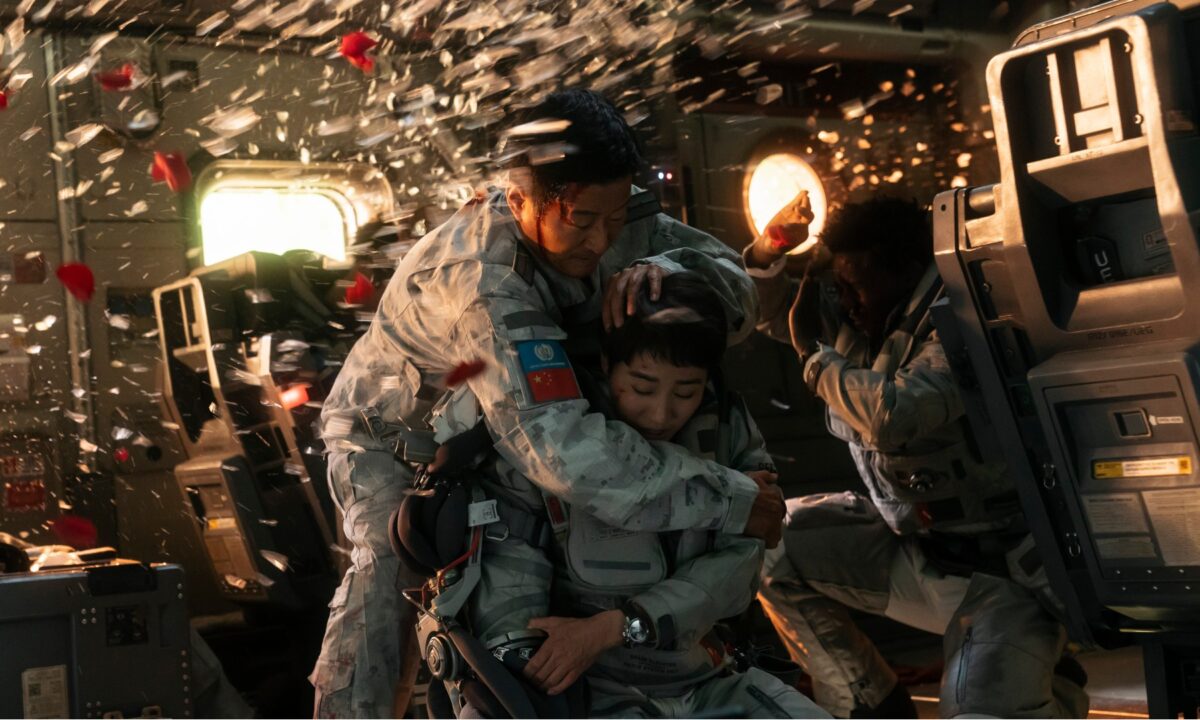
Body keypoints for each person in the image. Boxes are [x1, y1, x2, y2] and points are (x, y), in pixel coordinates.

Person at [309, 88, 786, 718]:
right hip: (398, 439)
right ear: (519, 203)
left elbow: (737, 296)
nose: (602, 240)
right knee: (389, 579)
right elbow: (564, 453)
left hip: (507, 426)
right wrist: (731, 501)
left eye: (615, 219)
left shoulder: (605, 208)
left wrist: (671, 273)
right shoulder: (485, 282)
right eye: (582, 222)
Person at [744, 193, 1090, 718]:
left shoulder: (965, 319)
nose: (846, 301)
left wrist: (815, 357)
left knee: (976, 710)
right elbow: (770, 314)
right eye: (839, 286)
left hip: (1002, 574)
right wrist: (770, 250)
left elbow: (895, 413)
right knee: (769, 544)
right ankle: (871, 707)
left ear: (906, 272)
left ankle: (1048, 674)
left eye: (856, 285)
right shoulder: (869, 317)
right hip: (918, 551)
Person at [445, 272, 826, 718]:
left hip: (706, 679)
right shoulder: (546, 449)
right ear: (607, 364)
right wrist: (534, 665)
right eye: (643, 388)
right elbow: (513, 601)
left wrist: (618, 625)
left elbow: (739, 567)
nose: (662, 413)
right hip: (592, 693)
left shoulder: (727, 429)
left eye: (686, 391)